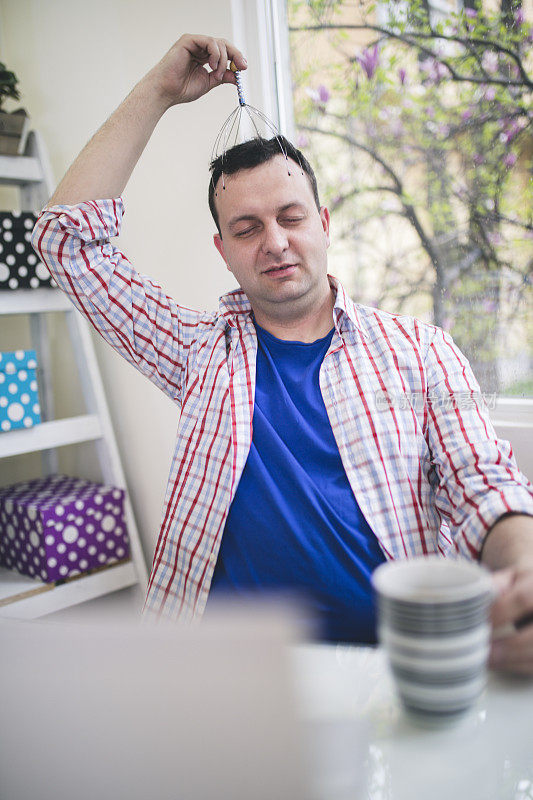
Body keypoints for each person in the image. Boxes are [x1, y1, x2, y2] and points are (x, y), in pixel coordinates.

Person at [32, 34, 533, 671]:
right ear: (223, 250)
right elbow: (66, 243)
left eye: (291, 217)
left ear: (324, 222)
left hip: (385, 671)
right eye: (246, 228)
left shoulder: (421, 352)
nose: (274, 243)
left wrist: (523, 568)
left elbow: (483, 481)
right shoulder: (197, 352)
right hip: (215, 676)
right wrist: (159, 91)